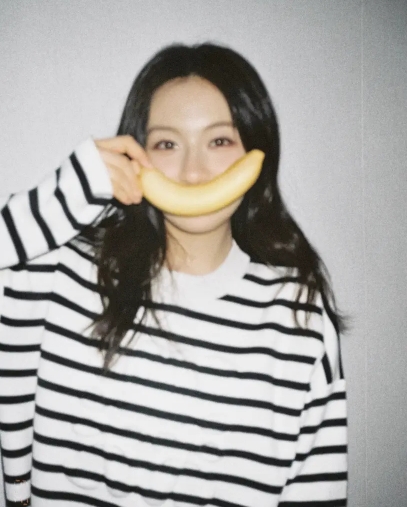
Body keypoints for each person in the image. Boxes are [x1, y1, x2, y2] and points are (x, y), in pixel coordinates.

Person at [0, 43, 348, 506]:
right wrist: (64, 196)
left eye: (219, 141)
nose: (193, 172)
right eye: (167, 144)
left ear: (255, 149)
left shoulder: (299, 315)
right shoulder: (61, 269)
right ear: (135, 154)